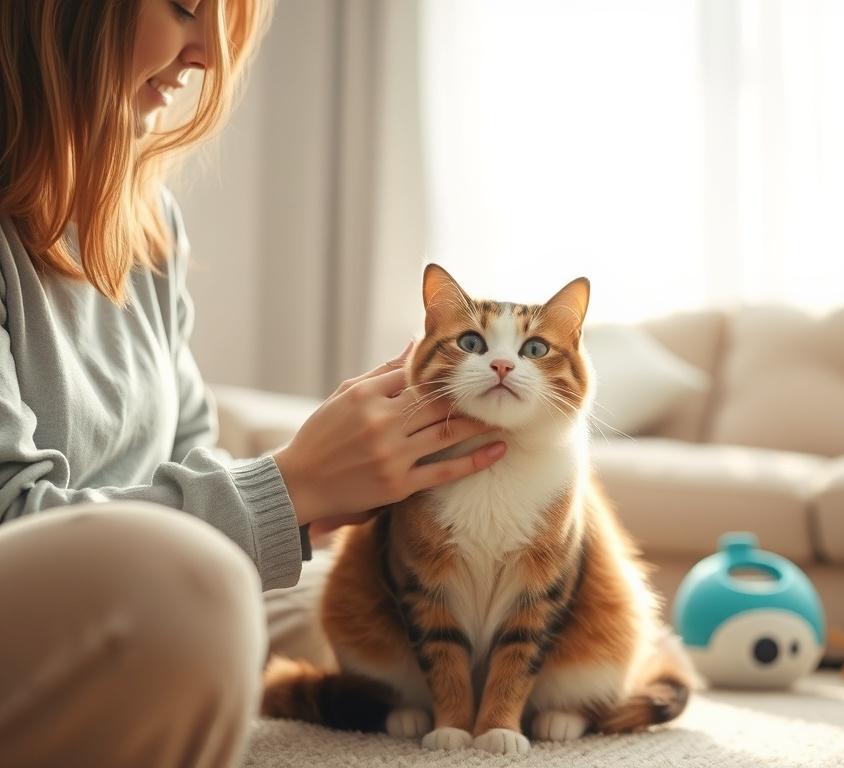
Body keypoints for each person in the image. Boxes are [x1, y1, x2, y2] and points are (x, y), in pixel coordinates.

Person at [0, 1, 507, 766]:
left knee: (361, 613)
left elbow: (189, 451)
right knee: (201, 595)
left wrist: (322, 505)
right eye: (182, 8)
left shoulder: (145, 223)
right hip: (98, 590)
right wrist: (288, 487)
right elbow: (14, 519)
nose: (205, 55)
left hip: (141, 593)